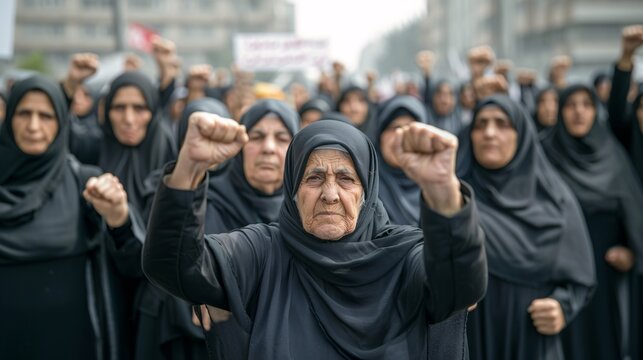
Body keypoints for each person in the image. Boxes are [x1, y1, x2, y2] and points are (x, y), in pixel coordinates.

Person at [142, 110, 487, 359]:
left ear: (367, 190)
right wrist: (189, 168)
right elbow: (174, 267)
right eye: (314, 178)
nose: (331, 194)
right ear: (291, 188)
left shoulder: (404, 255)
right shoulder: (264, 252)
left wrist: (442, 189)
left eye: (347, 179)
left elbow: (460, 286)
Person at [0, 76, 145, 359]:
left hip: (74, 342)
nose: (33, 126)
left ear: (62, 123)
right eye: (24, 113)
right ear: (9, 117)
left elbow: (136, 266)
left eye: (46, 115)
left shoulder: (86, 184)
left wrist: (119, 218)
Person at [459, 95, 595, 360]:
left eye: (502, 124)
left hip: (531, 338)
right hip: (471, 337)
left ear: (522, 135)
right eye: (480, 124)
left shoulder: (555, 200)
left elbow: (581, 277)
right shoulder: (453, 197)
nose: (489, 133)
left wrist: (562, 307)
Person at [541, 84, 643, 360]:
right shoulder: (543, 153)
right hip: (558, 272)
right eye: (571, 105)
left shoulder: (611, 152)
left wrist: (631, 250)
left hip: (606, 273)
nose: (578, 112)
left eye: (586, 104)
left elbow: (632, 210)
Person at [99, 71, 176, 214]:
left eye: (139, 108)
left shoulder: (168, 152)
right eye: (119, 108)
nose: (128, 119)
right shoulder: (93, 149)